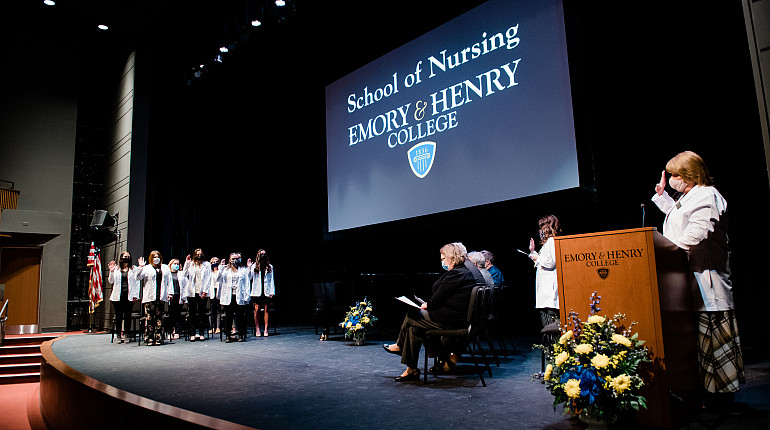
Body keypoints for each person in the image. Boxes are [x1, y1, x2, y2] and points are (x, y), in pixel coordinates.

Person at [651, 150, 744, 399]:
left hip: (708, 282)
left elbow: (695, 234)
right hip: (688, 281)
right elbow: (680, 218)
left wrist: (662, 252)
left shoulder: (708, 195)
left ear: (690, 173)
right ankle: (703, 393)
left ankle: (720, 396)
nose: (672, 179)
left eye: (676, 174)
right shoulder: (689, 196)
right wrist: (663, 198)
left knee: (712, 341)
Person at [383, 243, 476, 381]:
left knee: (412, 314)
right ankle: (411, 369)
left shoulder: (456, 274)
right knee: (414, 328)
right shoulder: (462, 272)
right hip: (454, 317)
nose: (442, 261)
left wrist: (428, 305)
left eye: (443, 258)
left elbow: (436, 297)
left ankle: (401, 347)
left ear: (451, 257)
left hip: (451, 322)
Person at [528, 215, 561, 342]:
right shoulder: (548, 243)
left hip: (549, 293)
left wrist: (537, 258)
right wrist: (533, 252)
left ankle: (555, 354)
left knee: (551, 327)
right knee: (548, 326)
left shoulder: (552, 241)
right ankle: (554, 353)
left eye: (542, 226)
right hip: (545, 292)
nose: (540, 230)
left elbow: (550, 263)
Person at [136, 250, 172, 345]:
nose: (156, 259)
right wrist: (140, 267)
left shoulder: (165, 268)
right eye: (154, 257)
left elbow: (169, 281)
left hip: (161, 297)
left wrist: (170, 293)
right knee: (150, 318)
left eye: (158, 257)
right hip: (150, 297)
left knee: (159, 318)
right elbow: (138, 277)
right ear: (151, 258)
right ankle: (149, 338)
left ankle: (159, 337)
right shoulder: (146, 268)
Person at [107, 251, 140, 343]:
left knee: (127, 316)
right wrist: (112, 271)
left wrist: (135, 295)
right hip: (117, 296)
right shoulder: (117, 269)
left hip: (128, 296)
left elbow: (137, 282)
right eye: (125, 256)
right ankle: (118, 335)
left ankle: (126, 334)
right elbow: (111, 281)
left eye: (128, 256)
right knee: (118, 316)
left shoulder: (133, 269)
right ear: (121, 258)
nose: (127, 258)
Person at [217, 252, 251, 342]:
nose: (234, 260)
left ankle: (240, 335)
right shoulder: (225, 270)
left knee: (240, 316)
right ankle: (228, 335)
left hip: (239, 296)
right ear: (229, 260)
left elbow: (247, 283)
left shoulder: (243, 270)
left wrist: (247, 296)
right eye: (233, 259)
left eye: (236, 258)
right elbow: (218, 278)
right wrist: (220, 267)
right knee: (229, 316)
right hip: (229, 296)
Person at [183, 248, 212, 341]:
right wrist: (187, 263)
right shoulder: (191, 264)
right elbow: (184, 274)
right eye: (197, 254)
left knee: (201, 313)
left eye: (201, 254)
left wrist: (205, 291)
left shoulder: (206, 264)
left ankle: (201, 333)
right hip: (192, 291)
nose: (199, 255)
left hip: (202, 291)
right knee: (192, 313)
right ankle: (192, 333)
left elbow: (208, 278)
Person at [250, 249, 275, 337]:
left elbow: (272, 279)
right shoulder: (254, 266)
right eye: (261, 254)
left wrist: (272, 291)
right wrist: (249, 267)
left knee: (266, 309)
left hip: (266, 290)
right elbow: (249, 277)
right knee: (256, 309)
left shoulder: (270, 266)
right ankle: (257, 329)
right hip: (257, 291)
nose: (263, 256)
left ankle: (265, 329)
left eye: (264, 254)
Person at [168, 258, 186, 340]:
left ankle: (177, 331)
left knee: (178, 314)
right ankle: (170, 331)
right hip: (170, 296)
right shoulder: (167, 273)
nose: (176, 265)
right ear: (170, 264)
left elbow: (185, 285)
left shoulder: (181, 274)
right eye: (174, 263)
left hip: (179, 295)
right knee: (171, 314)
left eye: (177, 264)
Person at [209, 256, 222, 334]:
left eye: (216, 261)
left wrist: (219, 269)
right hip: (211, 291)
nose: (215, 263)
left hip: (219, 290)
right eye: (213, 262)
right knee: (211, 310)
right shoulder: (209, 272)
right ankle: (212, 327)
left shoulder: (221, 271)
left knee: (218, 310)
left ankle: (218, 327)